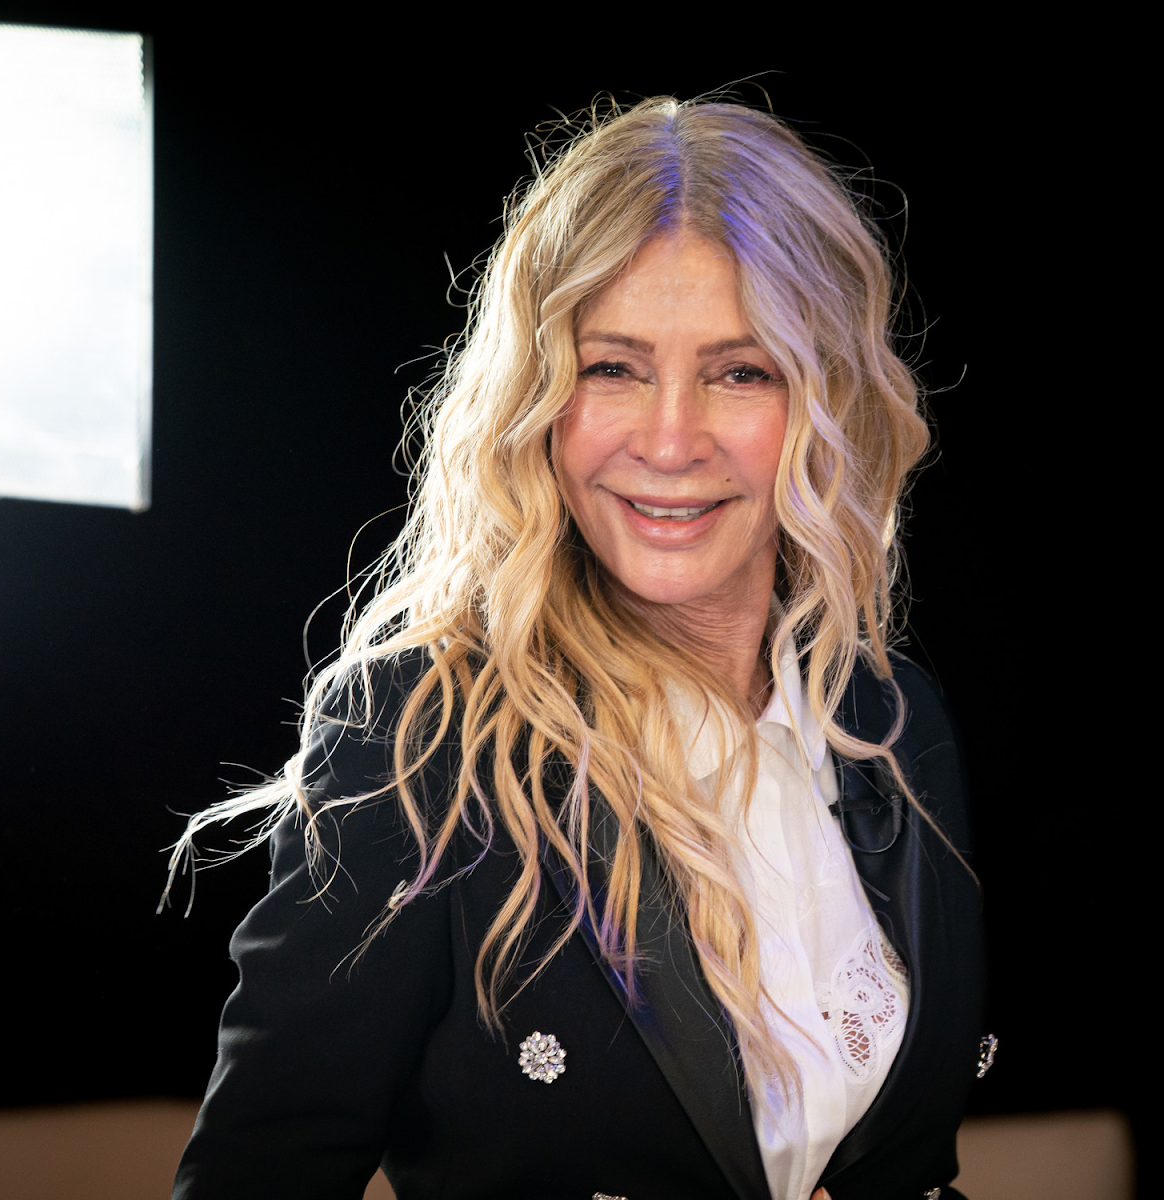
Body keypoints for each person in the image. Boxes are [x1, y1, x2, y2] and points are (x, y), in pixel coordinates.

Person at [169, 96, 984, 1200]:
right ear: (537, 399)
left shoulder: (893, 719)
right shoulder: (417, 737)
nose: (668, 439)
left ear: (824, 401)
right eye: (613, 368)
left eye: (741, 371)